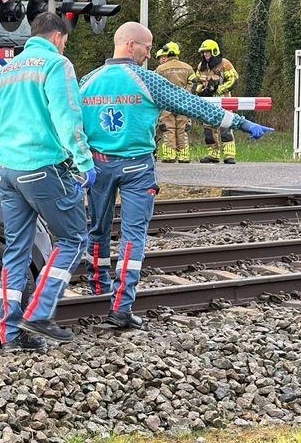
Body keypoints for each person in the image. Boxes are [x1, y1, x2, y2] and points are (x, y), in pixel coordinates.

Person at [80, 23, 272, 329]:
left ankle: (98, 291)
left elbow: (71, 124)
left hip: (98, 166)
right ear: (131, 45)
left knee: (97, 231)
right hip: (137, 168)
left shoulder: (88, 81)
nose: (149, 53)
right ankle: (120, 308)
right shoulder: (146, 80)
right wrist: (242, 124)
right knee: (133, 238)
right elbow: (193, 105)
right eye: (146, 46)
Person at [0, 11, 95, 352]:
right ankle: (40, 311)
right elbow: (68, 116)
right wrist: (85, 162)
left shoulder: (5, 72)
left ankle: (10, 335)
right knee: (74, 239)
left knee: (15, 252)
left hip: (7, 170)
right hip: (44, 166)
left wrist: (1, 160)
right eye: (65, 42)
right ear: (58, 37)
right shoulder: (56, 66)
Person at [189, 39, 239, 163]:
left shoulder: (225, 63)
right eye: (204, 52)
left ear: (214, 51)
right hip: (208, 101)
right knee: (208, 130)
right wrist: (201, 90)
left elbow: (234, 78)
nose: (205, 55)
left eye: (208, 52)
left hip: (223, 101)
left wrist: (219, 89)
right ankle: (213, 154)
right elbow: (196, 81)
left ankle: (229, 155)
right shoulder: (201, 66)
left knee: (225, 128)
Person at [153, 42, 195, 163]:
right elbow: (193, 84)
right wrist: (185, 95)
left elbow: (155, 86)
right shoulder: (188, 68)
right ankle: (184, 155)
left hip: (167, 103)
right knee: (183, 128)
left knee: (168, 128)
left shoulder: (160, 69)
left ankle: (169, 155)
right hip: (184, 102)